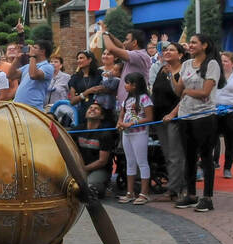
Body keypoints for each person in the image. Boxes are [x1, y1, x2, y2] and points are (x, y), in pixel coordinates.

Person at [172, 32, 224, 212]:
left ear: (205, 45)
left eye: (194, 43)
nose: (190, 45)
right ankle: (191, 194)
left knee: (206, 157)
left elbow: (205, 92)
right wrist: (174, 74)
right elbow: (178, 91)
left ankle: (207, 197)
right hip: (185, 115)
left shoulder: (212, 64)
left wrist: (187, 92)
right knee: (189, 156)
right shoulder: (186, 64)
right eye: (189, 43)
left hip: (204, 116)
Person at [151, 41, 187, 203]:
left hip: (175, 118)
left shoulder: (183, 71)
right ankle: (174, 186)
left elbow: (184, 97)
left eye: (172, 50)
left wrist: (173, 114)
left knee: (175, 155)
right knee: (167, 154)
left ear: (180, 55)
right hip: (160, 118)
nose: (167, 52)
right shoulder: (161, 70)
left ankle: (176, 189)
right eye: (166, 50)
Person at [116, 72, 154, 205]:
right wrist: (120, 123)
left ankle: (144, 193)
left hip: (139, 133)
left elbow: (149, 118)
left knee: (142, 162)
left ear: (135, 85)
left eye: (127, 83)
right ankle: (130, 192)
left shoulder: (144, 98)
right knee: (130, 162)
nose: (125, 85)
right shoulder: (126, 99)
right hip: (127, 134)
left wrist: (132, 123)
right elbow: (122, 114)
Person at [75, 101, 116, 198]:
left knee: (89, 188)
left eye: (96, 109)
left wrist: (83, 169)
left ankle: (104, 185)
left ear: (102, 117)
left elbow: (102, 161)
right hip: (81, 168)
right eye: (90, 108)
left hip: (100, 169)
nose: (92, 109)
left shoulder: (105, 134)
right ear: (85, 114)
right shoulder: (78, 129)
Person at [13, 40, 54, 108]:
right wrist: (16, 58)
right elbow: (11, 75)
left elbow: (33, 75)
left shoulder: (48, 67)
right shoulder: (29, 66)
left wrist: (32, 56)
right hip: (18, 106)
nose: (31, 49)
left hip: (32, 108)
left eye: (35, 48)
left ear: (42, 51)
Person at [67, 51, 101, 127]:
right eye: (77, 58)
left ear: (89, 60)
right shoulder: (75, 78)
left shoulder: (99, 74)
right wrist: (87, 92)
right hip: (83, 112)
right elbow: (72, 101)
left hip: (98, 110)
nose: (78, 61)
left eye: (81, 58)